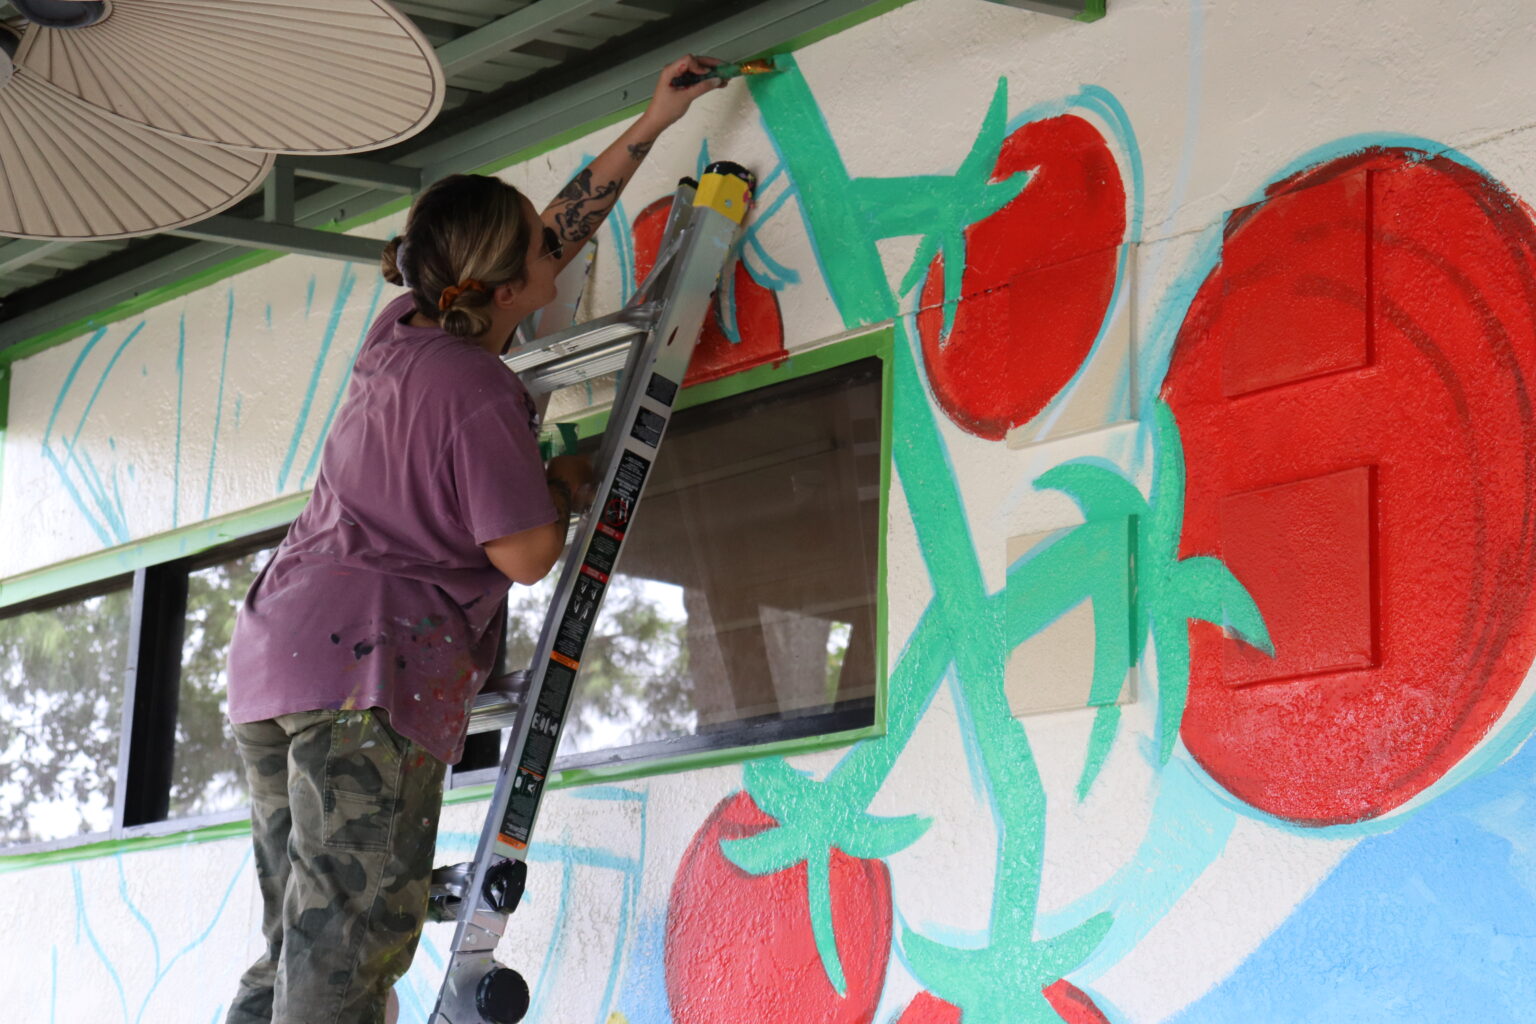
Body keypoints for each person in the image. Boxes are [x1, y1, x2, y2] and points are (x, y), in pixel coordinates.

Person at [222, 55, 728, 1024]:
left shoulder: (400, 331)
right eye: (541, 252)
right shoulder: (479, 389)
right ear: (504, 288)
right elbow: (527, 556)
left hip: (277, 652)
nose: (559, 254)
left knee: (300, 939)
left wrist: (652, 124)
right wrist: (564, 488)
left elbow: (551, 228)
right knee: (349, 949)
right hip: (364, 668)